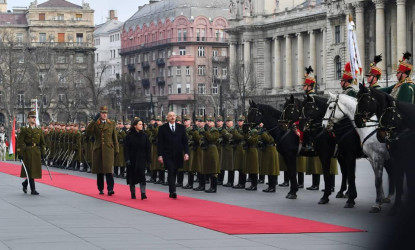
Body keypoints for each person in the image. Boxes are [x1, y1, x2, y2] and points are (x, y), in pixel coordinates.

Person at [86, 106, 119, 196]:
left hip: (109, 149)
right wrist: (93, 121)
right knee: (99, 171)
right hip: (98, 149)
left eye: (106, 113)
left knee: (109, 170)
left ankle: (110, 189)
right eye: (102, 113)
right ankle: (101, 188)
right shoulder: (96, 123)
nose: (104, 115)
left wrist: (117, 149)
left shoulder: (111, 123)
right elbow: (88, 132)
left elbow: (114, 137)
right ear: (100, 114)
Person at [157, 111, 189, 199]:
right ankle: (172, 191)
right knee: (171, 170)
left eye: (174, 116)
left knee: (175, 170)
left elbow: (185, 141)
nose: (172, 117)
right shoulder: (162, 128)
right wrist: (160, 155)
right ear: (167, 118)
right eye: (170, 116)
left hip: (178, 153)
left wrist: (186, 152)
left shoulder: (181, 127)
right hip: (167, 154)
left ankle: (172, 188)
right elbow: (160, 143)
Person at [17, 111, 46, 195]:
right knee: (29, 170)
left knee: (33, 171)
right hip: (27, 151)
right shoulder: (24, 129)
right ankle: (33, 189)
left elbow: (42, 142)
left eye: (34, 117)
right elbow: (20, 142)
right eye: (32, 117)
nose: (34, 119)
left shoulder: (39, 129)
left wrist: (43, 153)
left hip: (36, 152)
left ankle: (25, 183)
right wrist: (20, 153)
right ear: (28, 119)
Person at [124, 119, 151, 200]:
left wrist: (148, 159)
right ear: (135, 125)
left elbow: (148, 148)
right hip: (132, 159)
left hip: (141, 159)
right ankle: (133, 193)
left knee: (142, 176)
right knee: (132, 176)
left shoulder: (145, 136)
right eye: (139, 124)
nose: (141, 126)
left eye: (142, 124)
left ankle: (143, 193)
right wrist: (127, 159)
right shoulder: (129, 136)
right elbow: (126, 148)